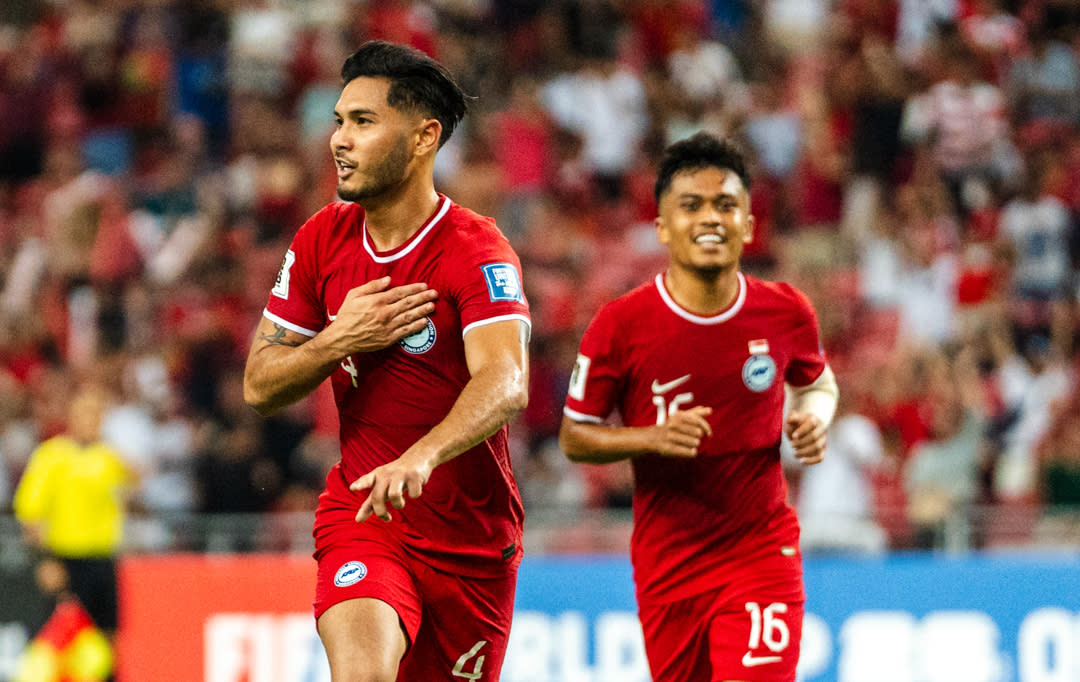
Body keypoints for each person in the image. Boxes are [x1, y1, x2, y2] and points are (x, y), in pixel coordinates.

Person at [242, 40, 530, 681]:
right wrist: (338, 340)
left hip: (471, 543)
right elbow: (259, 385)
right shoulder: (322, 238)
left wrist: (423, 455)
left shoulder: (476, 249)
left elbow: (506, 380)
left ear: (424, 137)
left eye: (363, 122)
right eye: (339, 121)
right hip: (366, 513)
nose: (339, 139)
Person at [560, 132, 838, 682]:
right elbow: (576, 436)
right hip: (669, 565)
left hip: (761, 552)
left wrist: (815, 418)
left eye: (726, 205)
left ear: (750, 226)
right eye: (691, 205)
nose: (711, 217)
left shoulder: (785, 312)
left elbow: (819, 381)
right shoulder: (620, 325)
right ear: (662, 226)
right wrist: (649, 438)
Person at [13, 383, 132, 645]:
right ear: (71, 417)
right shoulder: (51, 455)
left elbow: (129, 495)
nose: (92, 420)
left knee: (108, 638)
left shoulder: (110, 458)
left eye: (97, 413)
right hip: (67, 560)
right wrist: (45, 560)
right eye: (86, 413)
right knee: (66, 639)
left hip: (103, 560)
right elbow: (30, 513)